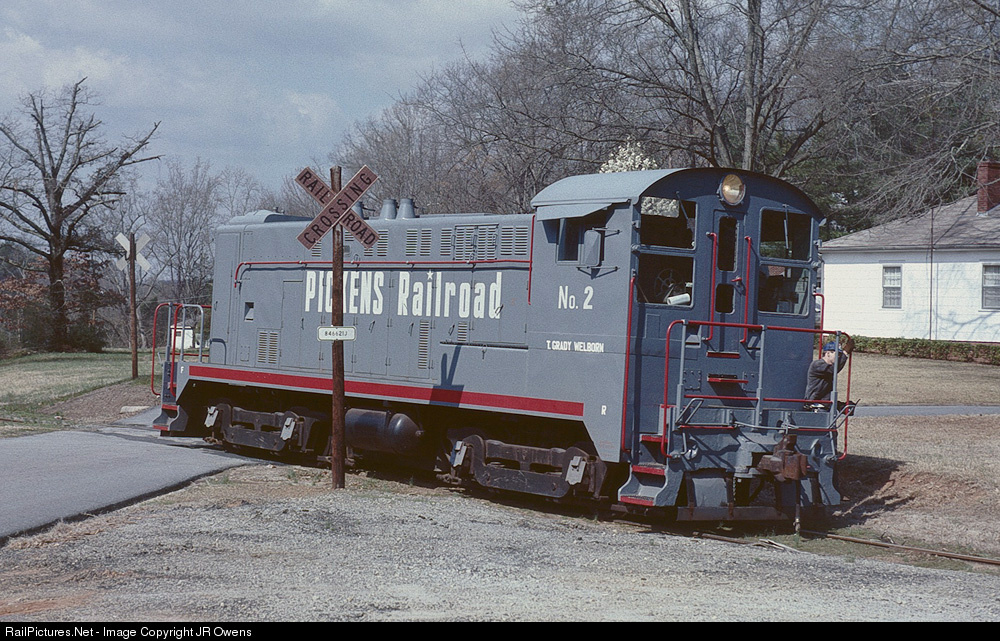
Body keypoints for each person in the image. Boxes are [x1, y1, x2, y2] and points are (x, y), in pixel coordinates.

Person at [805, 336, 855, 412]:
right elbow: (834, 370)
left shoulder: (828, 368)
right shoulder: (817, 364)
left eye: (840, 355)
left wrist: (840, 405)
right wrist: (845, 353)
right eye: (837, 354)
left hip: (823, 405)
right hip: (815, 406)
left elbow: (826, 393)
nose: (839, 357)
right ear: (828, 353)